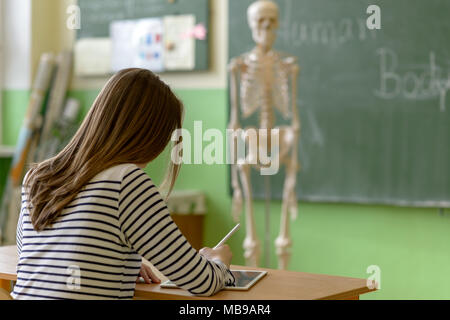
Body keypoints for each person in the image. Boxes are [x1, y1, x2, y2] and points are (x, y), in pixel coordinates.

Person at [12, 68, 234, 300]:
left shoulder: (38, 177)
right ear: (149, 137)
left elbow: (35, 256)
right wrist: (218, 261)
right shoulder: (126, 181)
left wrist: (106, 258)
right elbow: (201, 281)